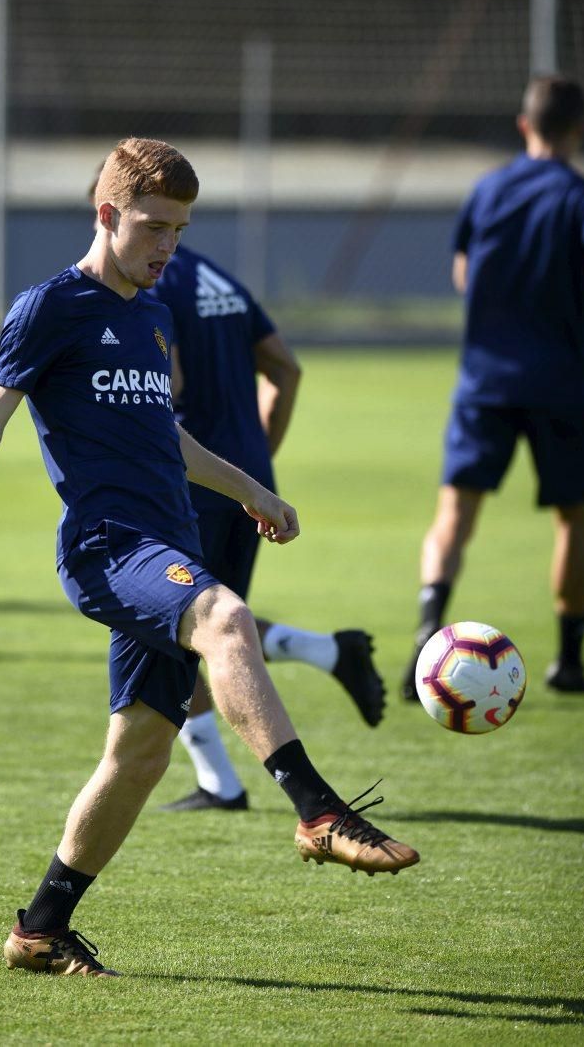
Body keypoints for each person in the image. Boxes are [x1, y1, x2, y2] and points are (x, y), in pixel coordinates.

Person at [0, 138, 418, 980]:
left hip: (168, 540)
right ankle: (318, 811)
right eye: (155, 226)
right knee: (227, 617)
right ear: (107, 214)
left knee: (139, 756)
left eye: (180, 228)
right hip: (108, 547)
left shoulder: (152, 315)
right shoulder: (51, 306)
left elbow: (166, 436)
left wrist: (251, 489)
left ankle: (41, 930)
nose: (169, 245)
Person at [149, 243, 385, 812]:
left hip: (191, 476)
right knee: (214, 625)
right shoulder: (219, 277)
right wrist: (257, 457)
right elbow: (286, 367)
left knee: (175, 629)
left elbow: (168, 384)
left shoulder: (146, 283)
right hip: (244, 473)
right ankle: (328, 652)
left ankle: (220, 784)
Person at [402, 76, 584, 701]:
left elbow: (463, 271)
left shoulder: (488, 189)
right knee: (574, 517)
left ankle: (427, 634)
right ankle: (568, 660)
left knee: (455, 514)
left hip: (484, 380)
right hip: (561, 383)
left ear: (524, 125)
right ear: (579, 129)